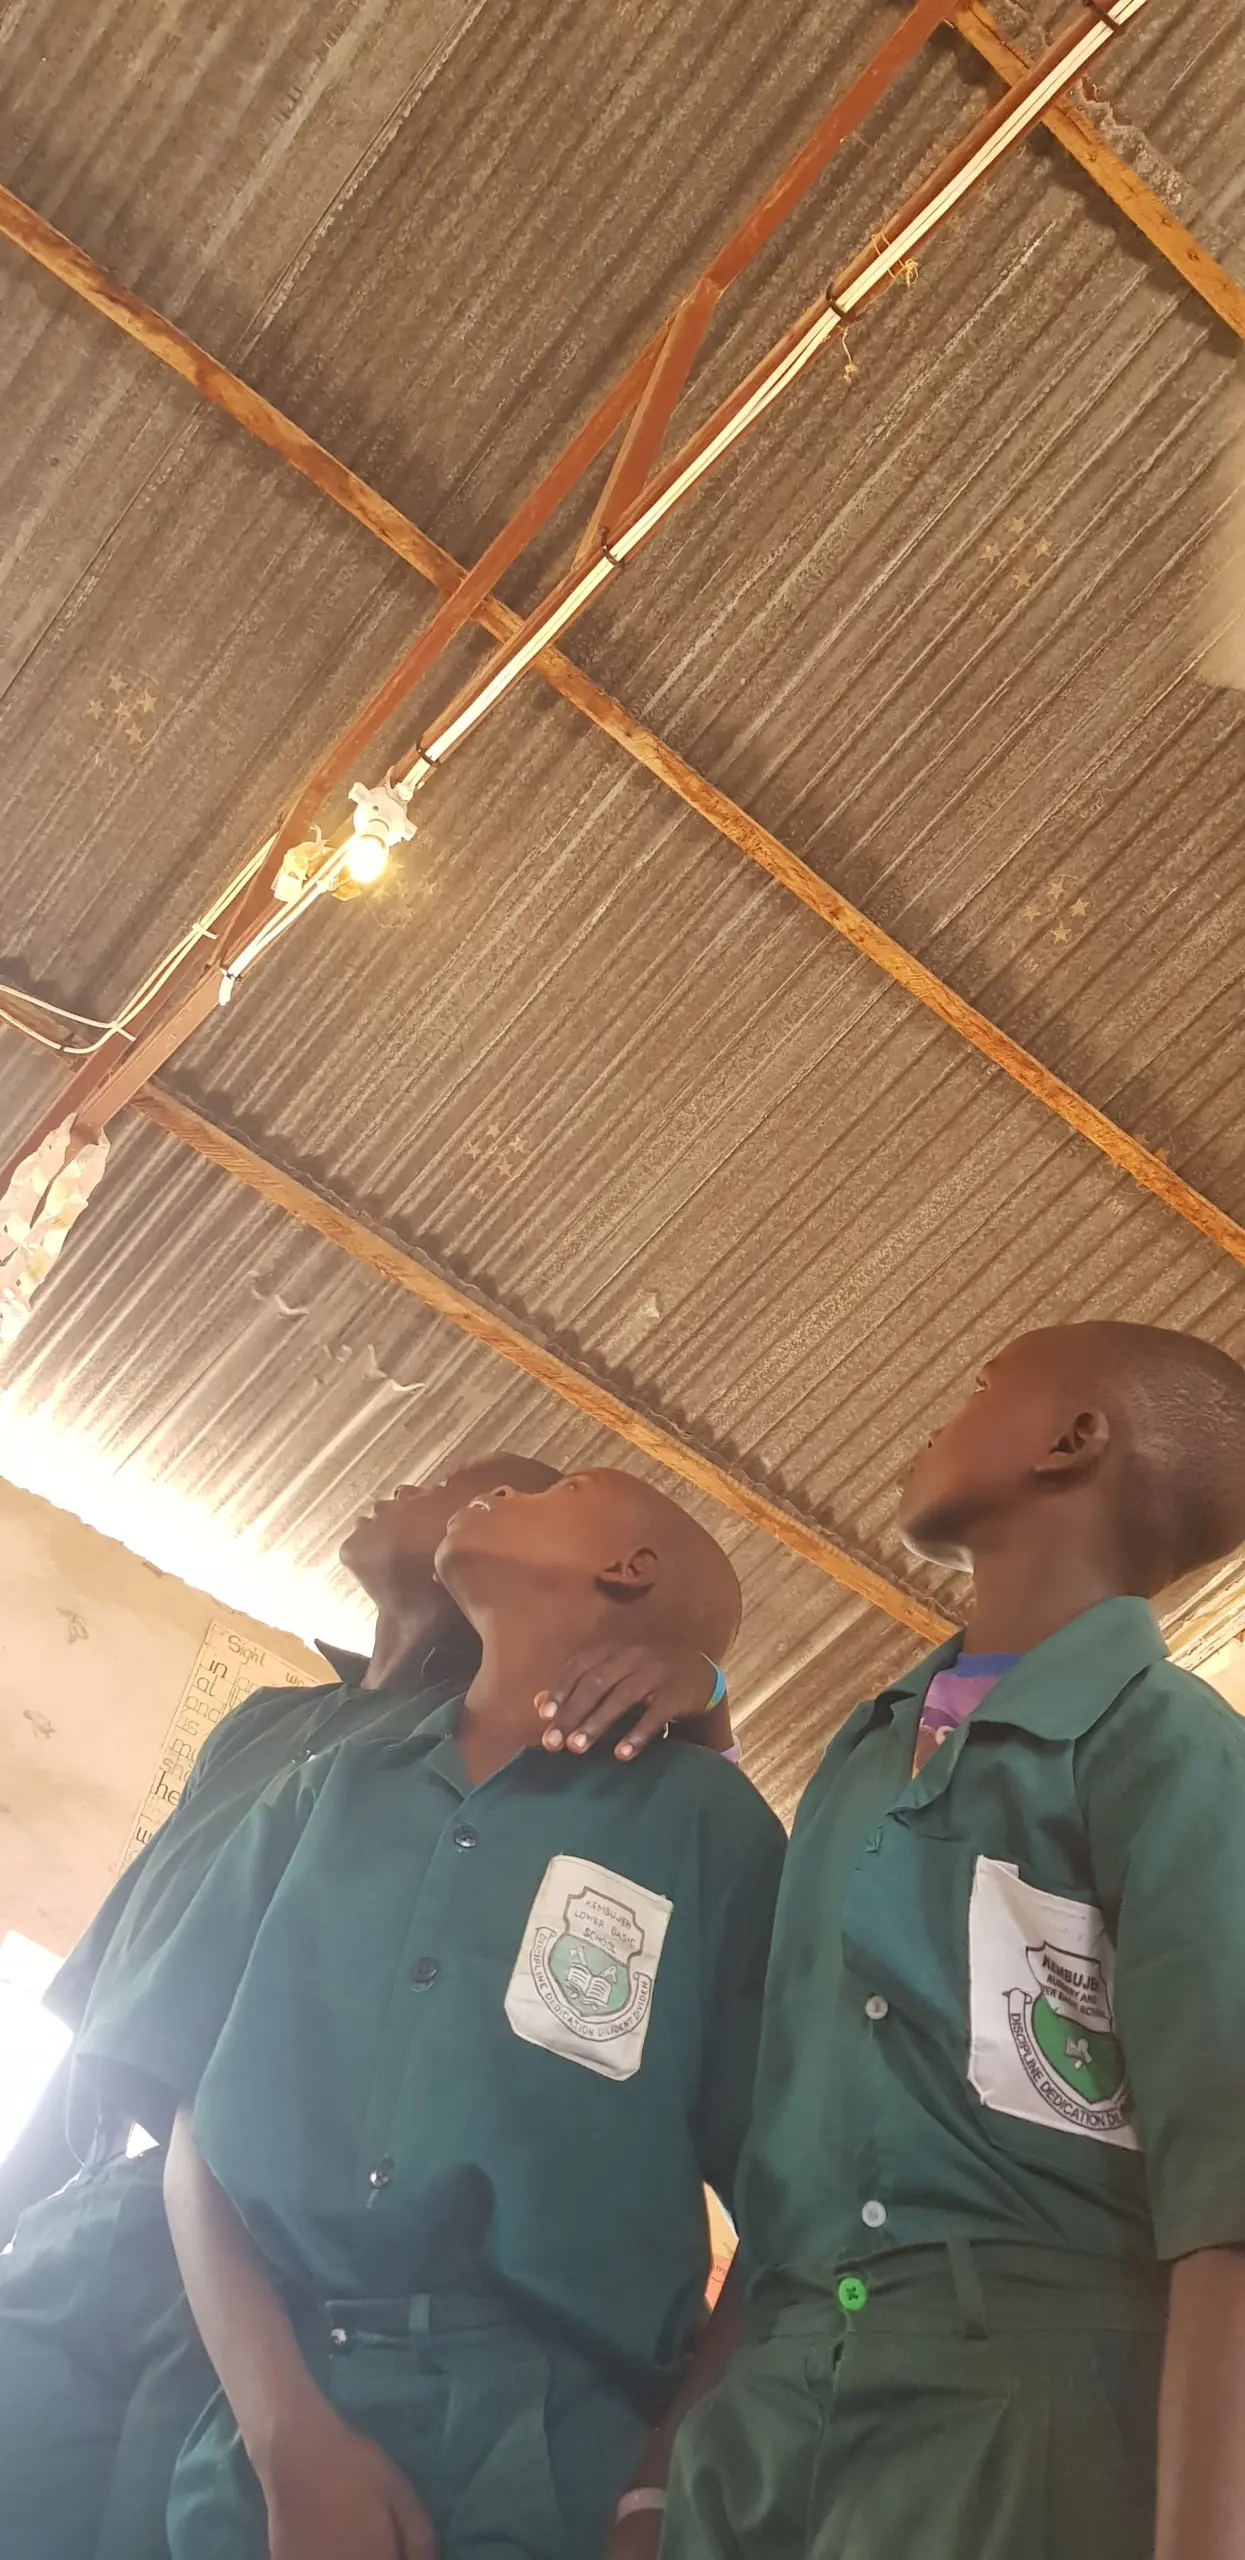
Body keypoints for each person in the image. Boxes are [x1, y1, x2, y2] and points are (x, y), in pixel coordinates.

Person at [0, 1451, 731, 2560]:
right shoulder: (281, 1735)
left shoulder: (571, 1770)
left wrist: (708, 1688)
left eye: (499, 1481)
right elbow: (141, 2016)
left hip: (258, 2286)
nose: (421, 1485)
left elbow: (645, 1847)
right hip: (143, 2210)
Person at [655, 1322, 1245, 2560]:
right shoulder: (861, 1753)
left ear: (1073, 1440)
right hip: (774, 2407)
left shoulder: (1168, 1746)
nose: (941, 1413)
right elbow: (791, 2153)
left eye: (984, 1387)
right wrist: (674, 2460)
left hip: (1025, 2413)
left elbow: (1224, 2200)